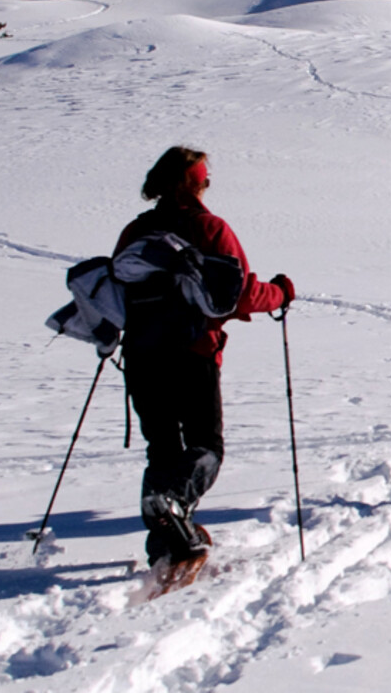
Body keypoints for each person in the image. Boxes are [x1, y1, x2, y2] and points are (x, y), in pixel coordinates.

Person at [115, 146, 293, 566]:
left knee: (161, 449)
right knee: (205, 446)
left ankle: (164, 543)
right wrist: (282, 293)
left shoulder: (135, 233)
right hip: (192, 353)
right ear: (194, 183)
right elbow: (242, 294)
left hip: (140, 355)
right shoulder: (208, 228)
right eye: (205, 179)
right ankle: (173, 506)